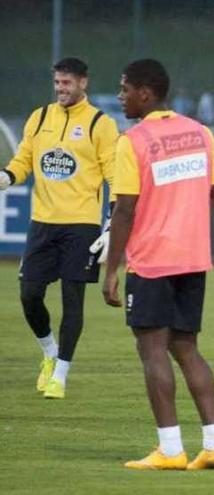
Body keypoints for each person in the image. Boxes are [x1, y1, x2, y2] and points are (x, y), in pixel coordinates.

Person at [101, 59, 214, 471]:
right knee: (186, 348)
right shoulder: (200, 133)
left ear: (145, 93)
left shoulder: (132, 141)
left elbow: (124, 210)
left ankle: (170, 449)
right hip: (192, 259)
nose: (120, 96)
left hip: (152, 260)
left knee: (152, 350)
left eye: (124, 88)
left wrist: (111, 268)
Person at [0, 57, 118, 399]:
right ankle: (50, 352)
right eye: (57, 83)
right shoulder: (39, 118)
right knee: (29, 295)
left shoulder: (101, 123)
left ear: (83, 83)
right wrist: (7, 177)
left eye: (66, 83)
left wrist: (111, 224)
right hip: (43, 223)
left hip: (82, 225)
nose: (60, 89)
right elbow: (23, 160)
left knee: (72, 300)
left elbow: (114, 175)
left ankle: (61, 375)